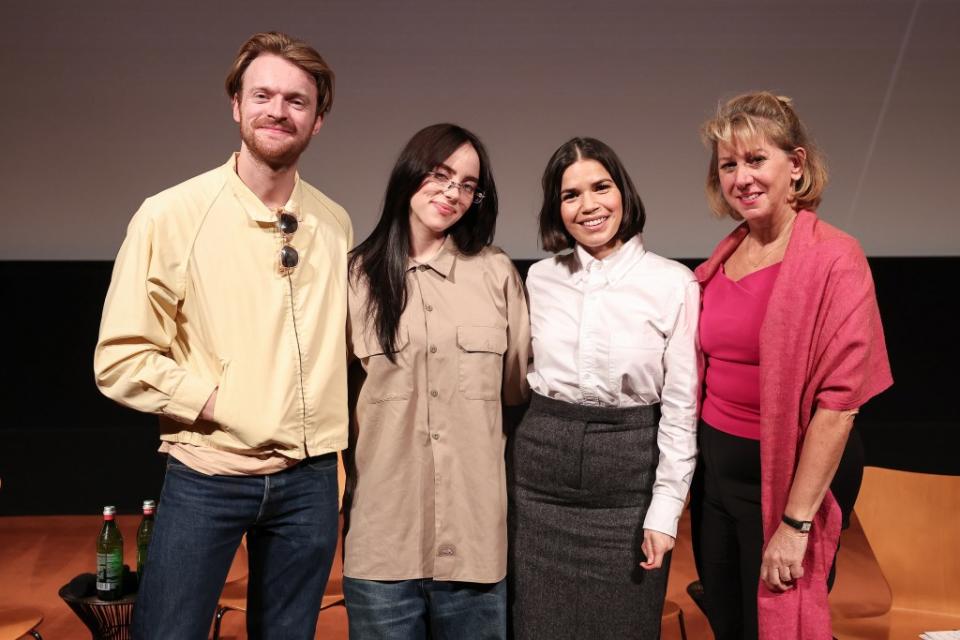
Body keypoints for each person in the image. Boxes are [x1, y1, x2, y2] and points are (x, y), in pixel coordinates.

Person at [93, 32, 351, 640]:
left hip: (309, 480)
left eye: (296, 100)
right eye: (262, 94)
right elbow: (120, 358)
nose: (277, 111)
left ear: (318, 120)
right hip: (208, 474)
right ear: (236, 105)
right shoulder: (171, 214)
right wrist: (219, 404)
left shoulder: (334, 222)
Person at [693, 91, 893, 640]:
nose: (741, 178)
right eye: (729, 165)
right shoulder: (724, 253)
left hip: (787, 481)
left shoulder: (835, 258)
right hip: (716, 475)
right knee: (729, 622)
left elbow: (839, 405)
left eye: (756, 160)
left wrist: (794, 524)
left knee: (777, 624)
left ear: (796, 165)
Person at [342, 123, 531, 639]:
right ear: (410, 174)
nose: (453, 193)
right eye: (441, 174)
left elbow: (517, 389)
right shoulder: (354, 278)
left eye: (468, 185)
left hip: (474, 547)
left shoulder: (495, 274)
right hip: (382, 548)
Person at [509, 137, 700, 639]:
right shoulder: (539, 280)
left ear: (623, 193)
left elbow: (682, 410)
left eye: (601, 187)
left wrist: (665, 512)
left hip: (628, 480)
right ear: (557, 207)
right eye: (570, 195)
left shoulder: (673, 283)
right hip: (539, 480)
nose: (589, 205)